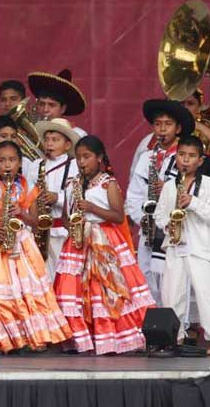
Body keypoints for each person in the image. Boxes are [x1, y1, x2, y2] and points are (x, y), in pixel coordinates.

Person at [53, 136, 153, 355]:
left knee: (105, 289)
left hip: (104, 240)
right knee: (72, 290)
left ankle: (110, 339)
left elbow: (118, 216)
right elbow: (65, 216)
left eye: (87, 157)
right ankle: (81, 340)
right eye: (78, 158)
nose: (81, 162)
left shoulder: (108, 183)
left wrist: (91, 207)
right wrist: (73, 225)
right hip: (78, 241)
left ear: (99, 158)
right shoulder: (72, 184)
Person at [0, 140, 71, 354]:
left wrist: (22, 214)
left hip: (22, 244)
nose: (7, 165)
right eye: (1, 160)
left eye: (12, 160)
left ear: (20, 163)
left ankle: (32, 337)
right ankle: (3, 341)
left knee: (27, 291)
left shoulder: (28, 188)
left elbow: (36, 221)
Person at [153, 136, 210, 354]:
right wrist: (168, 225)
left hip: (199, 247)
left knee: (205, 294)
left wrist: (192, 202)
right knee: (171, 293)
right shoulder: (169, 186)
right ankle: (175, 338)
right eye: (182, 155)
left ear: (200, 160)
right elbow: (159, 214)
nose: (185, 160)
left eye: (191, 156)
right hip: (176, 245)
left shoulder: (208, 184)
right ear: (176, 157)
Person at [125, 99, 194, 300]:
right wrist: (143, 219)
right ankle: (151, 323)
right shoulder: (147, 157)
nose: (162, 129)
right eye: (157, 124)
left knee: (173, 278)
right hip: (150, 228)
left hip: (175, 228)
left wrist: (168, 190)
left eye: (168, 124)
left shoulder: (185, 156)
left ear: (178, 128)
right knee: (147, 274)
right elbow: (135, 192)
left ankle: (177, 324)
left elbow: (193, 188)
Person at [30, 118, 81, 276]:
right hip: (41, 230)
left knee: (64, 273)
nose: (49, 144)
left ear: (67, 145)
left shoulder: (74, 165)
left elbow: (78, 195)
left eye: (55, 140)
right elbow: (28, 194)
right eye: (46, 140)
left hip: (63, 229)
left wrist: (57, 198)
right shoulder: (36, 165)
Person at [26, 70, 88, 137]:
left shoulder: (78, 134)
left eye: (52, 105)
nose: (45, 110)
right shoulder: (28, 133)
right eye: (41, 104)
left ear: (63, 109)